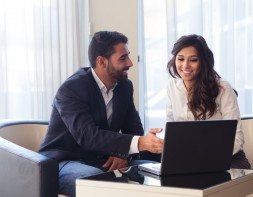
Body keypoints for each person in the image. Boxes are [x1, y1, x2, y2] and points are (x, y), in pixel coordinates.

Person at [39, 31, 164, 197]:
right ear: (101, 61)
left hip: (104, 161)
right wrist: (141, 143)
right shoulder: (72, 89)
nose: (130, 63)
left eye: (128, 56)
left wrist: (122, 155)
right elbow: (88, 136)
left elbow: (133, 128)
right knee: (100, 185)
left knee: (161, 173)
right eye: (122, 58)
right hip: (67, 160)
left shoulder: (124, 86)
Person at [166, 34, 251, 169]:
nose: (185, 65)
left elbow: (237, 138)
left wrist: (205, 157)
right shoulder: (172, 86)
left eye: (193, 60)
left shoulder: (223, 88)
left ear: (203, 62)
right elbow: (171, 129)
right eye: (180, 59)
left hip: (227, 158)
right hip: (189, 159)